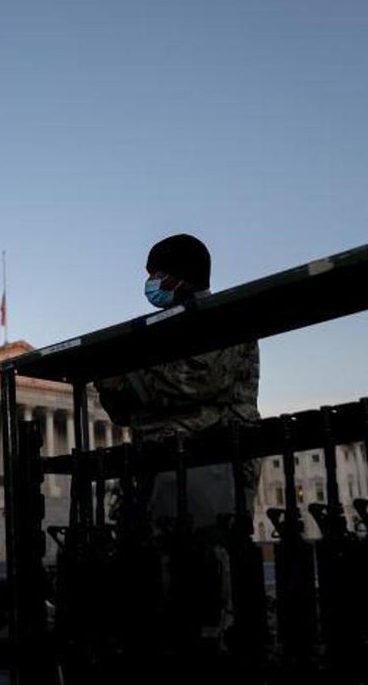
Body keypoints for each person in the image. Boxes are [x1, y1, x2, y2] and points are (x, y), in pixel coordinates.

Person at [92, 233, 260, 660]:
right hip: (163, 471)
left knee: (207, 578)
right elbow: (123, 405)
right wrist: (128, 384)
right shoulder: (166, 328)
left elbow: (188, 380)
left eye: (158, 275)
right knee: (163, 584)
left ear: (181, 276)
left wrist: (124, 378)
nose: (153, 284)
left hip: (211, 465)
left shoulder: (220, 318)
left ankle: (217, 649)